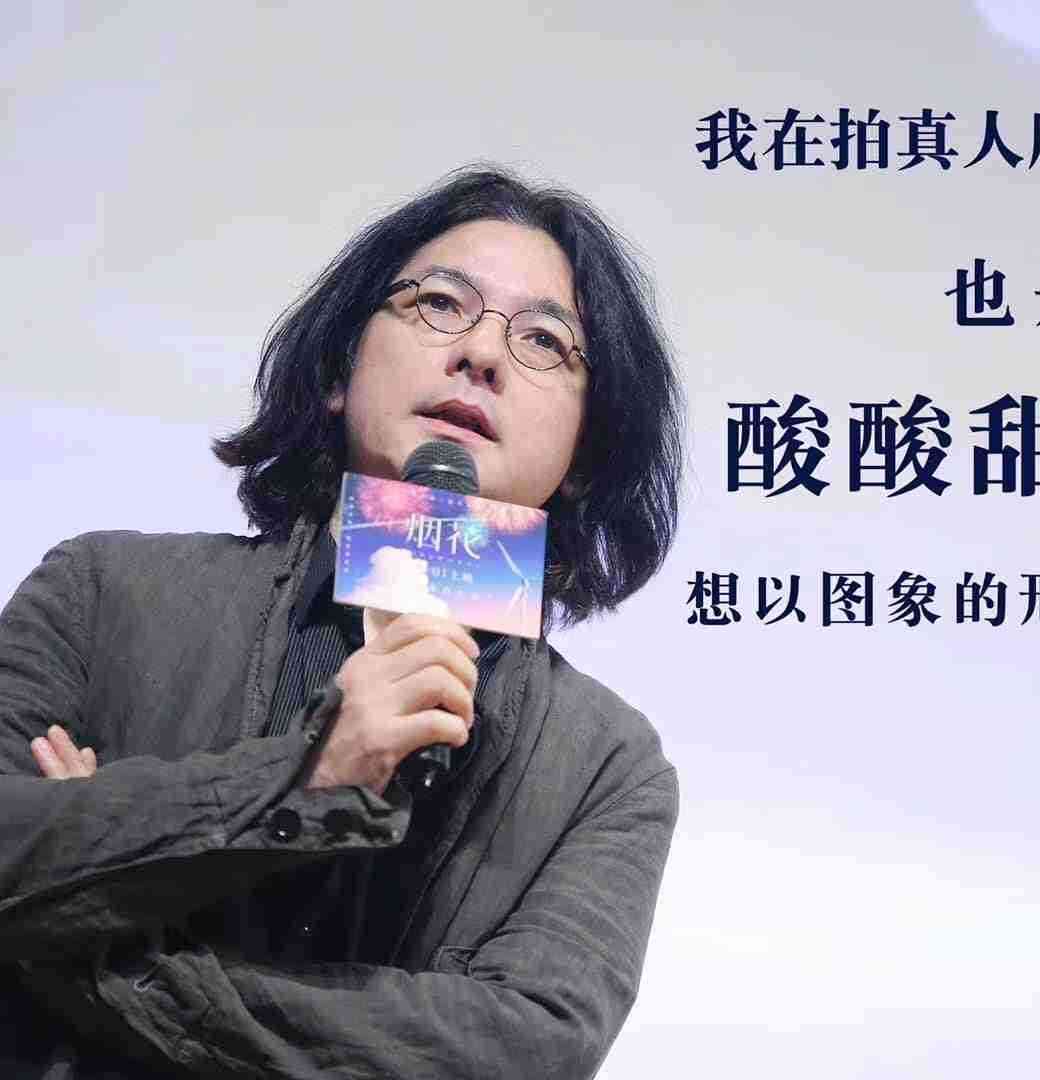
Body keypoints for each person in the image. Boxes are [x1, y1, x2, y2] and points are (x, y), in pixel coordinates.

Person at [0, 166, 683, 1078]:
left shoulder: (606, 766)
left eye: (545, 342)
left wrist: (94, 945)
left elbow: (522, 1053)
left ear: (586, 452)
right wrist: (310, 779)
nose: (481, 352)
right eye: (440, 303)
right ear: (338, 370)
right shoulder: (106, 592)